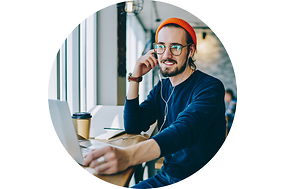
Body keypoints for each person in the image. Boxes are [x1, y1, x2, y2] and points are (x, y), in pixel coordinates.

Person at [84, 18, 226, 188]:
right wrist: (135, 78)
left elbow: (186, 129)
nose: (166, 55)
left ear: (191, 51)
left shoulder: (210, 87)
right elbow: (133, 125)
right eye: (161, 46)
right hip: (166, 175)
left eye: (176, 47)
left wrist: (128, 156)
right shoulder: (162, 87)